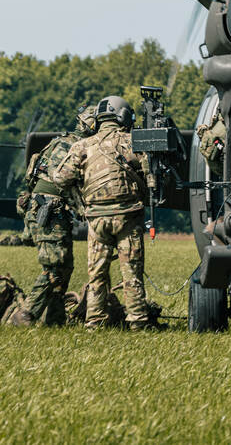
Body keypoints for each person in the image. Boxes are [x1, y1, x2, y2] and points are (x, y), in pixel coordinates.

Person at [51, 95, 160, 330]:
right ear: (122, 116)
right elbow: (152, 174)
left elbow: (60, 178)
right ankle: (138, 321)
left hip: (96, 220)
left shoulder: (82, 146)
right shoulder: (133, 142)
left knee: (97, 273)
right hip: (128, 218)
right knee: (131, 273)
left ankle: (95, 321)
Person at [18, 105, 96, 326]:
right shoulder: (69, 145)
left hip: (53, 211)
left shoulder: (66, 142)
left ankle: (55, 319)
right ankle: (26, 314)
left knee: (65, 266)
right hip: (49, 211)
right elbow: (61, 181)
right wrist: (84, 209)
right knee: (55, 266)